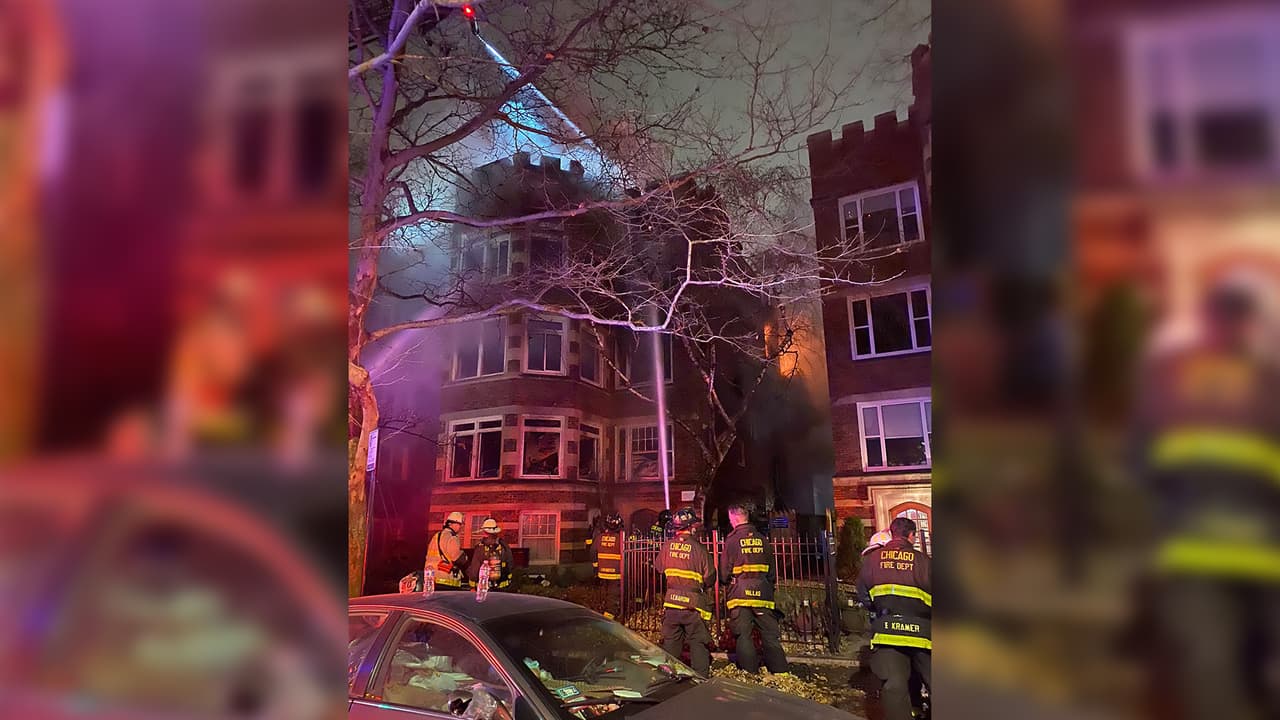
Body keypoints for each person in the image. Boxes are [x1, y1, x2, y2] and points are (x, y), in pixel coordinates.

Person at [1134, 276, 1280, 720]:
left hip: (1193, 552)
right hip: (1258, 554)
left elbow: (1141, 462)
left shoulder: (1170, 382)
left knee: (1210, 669)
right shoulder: (1269, 383)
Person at [856, 516, 931, 720]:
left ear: (892, 533)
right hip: (922, 633)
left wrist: (880, 610)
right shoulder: (924, 561)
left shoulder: (872, 560)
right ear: (911, 535)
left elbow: (863, 593)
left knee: (895, 686)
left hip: (887, 631)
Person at [719, 502, 789, 674]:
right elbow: (772, 572)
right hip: (762, 593)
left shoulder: (732, 540)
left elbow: (724, 573)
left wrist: (727, 582)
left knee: (743, 635)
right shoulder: (763, 539)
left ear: (734, 518)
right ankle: (780, 673)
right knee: (769, 635)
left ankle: (749, 673)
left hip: (739, 594)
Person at [654, 506, 715, 674]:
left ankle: (668, 677)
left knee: (671, 642)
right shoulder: (700, 549)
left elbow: (658, 568)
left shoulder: (667, 546)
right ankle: (700, 678)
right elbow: (710, 578)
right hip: (693, 605)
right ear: (692, 527)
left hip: (672, 602)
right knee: (697, 641)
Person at [590, 512, 625, 619]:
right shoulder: (621, 539)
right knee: (613, 597)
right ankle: (609, 620)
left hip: (602, 573)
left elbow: (592, 553)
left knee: (605, 594)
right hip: (616, 574)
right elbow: (626, 556)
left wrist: (596, 568)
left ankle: (603, 612)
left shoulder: (599, 538)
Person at [424, 511, 468, 590]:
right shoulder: (452, 537)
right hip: (446, 580)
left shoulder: (437, 536)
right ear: (452, 524)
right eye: (459, 524)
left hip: (431, 578)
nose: (460, 527)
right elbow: (457, 558)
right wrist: (465, 557)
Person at [467, 517, 514, 591]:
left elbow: (474, 570)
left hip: (485, 588)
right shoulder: (504, 546)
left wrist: (472, 586)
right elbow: (510, 564)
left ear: (485, 533)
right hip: (502, 588)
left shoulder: (480, 547)